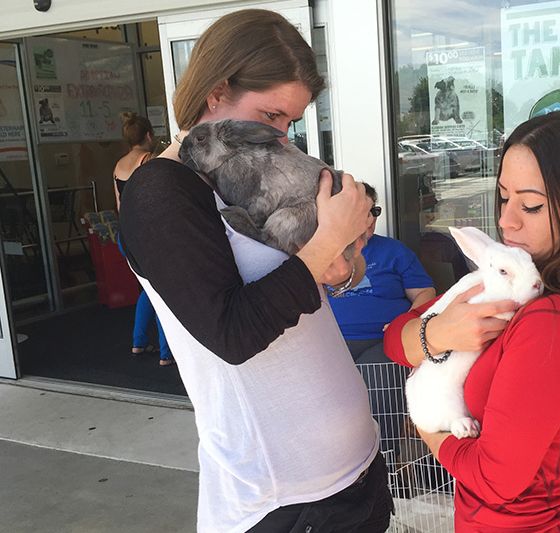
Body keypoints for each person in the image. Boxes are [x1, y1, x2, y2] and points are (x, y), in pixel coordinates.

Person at [118, 9, 391, 533]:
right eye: (271, 116)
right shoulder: (162, 191)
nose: (281, 136)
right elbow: (231, 333)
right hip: (284, 497)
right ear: (216, 91)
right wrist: (327, 244)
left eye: (290, 121)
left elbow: (315, 282)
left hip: (350, 478)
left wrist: (344, 270)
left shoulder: (247, 172)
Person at [384, 108, 560, 532]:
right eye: (504, 198)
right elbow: (394, 340)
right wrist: (437, 333)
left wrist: (427, 428)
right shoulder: (521, 281)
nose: (507, 221)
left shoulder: (556, 321)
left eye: (531, 205)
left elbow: (496, 479)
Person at [329, 182, 435, 364]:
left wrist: (407, 322)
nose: (370, 219)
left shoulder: (395, 251)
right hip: (330, 341)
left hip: (383, 340)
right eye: (362, 212)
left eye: (374, 211)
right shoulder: (324, 251)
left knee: (378, 381)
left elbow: (425, 292)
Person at [113, 112, 174, 366]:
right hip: (149, 235)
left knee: (148, 289)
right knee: (162, 291)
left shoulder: (118, 166)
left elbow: (119, 205)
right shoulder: (149, 160)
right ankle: (166, 353)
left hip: (126, 235)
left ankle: (138, 341)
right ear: (149, 135)